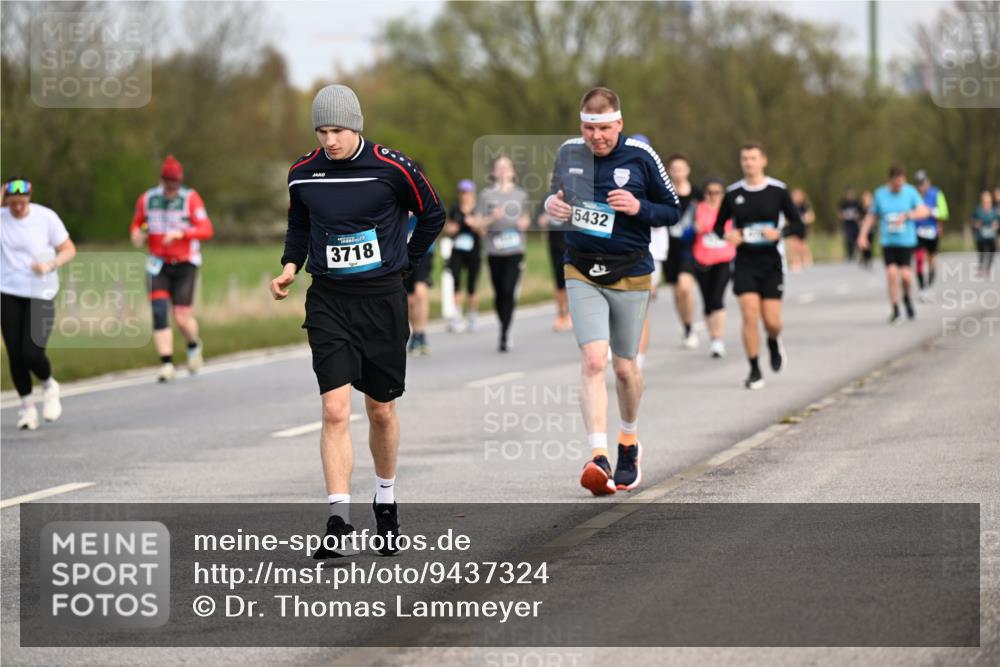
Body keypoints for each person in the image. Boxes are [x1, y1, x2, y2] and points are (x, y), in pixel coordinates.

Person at [270, 84, 445, 557]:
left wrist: (406, 261)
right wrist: (290, 266)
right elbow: (299, 224)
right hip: (329, 301)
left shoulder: (392, 168)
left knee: (381, 410)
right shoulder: (303, 174)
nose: (329, 140)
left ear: (356, 127)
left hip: (382, 301)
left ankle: (385, 500)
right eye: (322, 131)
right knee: (334, 410)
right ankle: (339, 519)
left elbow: (433, 214)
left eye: (338, 131)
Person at [544, 87, 681, 495]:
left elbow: (673, 210)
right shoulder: (568, 153)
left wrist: (640, 208)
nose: (596, 137)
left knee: (624, 368)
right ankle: (598, 456)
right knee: (593, 361)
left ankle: (628, 442)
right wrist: (551, 206)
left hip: (631, 271)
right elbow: (554, 195)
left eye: (604, 128)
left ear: (619, 124)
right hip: (581, 268)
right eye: (589, 128)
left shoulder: (641, 156)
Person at [713, 143, 802, 390]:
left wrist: (780, 233)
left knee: (772, 321)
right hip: (745, 262)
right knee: (749, 314)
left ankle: (773, 340)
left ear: (763, 161)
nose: (749, 163)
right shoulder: (733, 193)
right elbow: (718, 227)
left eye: (753, 158)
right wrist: (728, 235)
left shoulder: (778, 190)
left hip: (771, 262)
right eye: (745, 159)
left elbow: (798, 224)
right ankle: (754, 369)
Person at [130, 155, 214, 382]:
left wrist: (182, 233)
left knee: (181, 317)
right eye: (168, 185)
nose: (171, 190)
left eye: (175, 185)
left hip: (185, 263)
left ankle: (193, 344)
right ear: (162, 181)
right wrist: (138, 235)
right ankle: (166, 364)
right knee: (159, 312)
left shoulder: (190, 198)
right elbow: (137, 225)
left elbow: (206, 230)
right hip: (157, 264)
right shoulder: (148, 199)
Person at [1, 177, 77, 430]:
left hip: (41, 291)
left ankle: (49, 384)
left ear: (29, 198)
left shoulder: (46, 217)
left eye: (21, 203)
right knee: (15, 354)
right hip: (9, 290)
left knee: (31, 353)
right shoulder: (2, 218)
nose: (17, 208)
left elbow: (69, 249)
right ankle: (27, 408)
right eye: (12, 203)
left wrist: (50, 264)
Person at [857, 165, 930, 324]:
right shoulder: (880, 194)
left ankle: (907, 297)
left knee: (905, 276)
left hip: (906, 241)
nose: (899, 186)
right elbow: (871, 216)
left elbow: (924, 211)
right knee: (891, 274)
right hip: (888, 242)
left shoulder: (910, 192)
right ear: (890, 180)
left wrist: (908, 215)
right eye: (896, 183)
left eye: (901, 183)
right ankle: (895, 308)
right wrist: (862, 235)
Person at [476, 155, 530, 352]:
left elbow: (526, 217)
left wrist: (524, 223)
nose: (503, 170)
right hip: (494, 250)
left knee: (508, 290)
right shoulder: (486, 195)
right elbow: (478, 224)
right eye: (499, 167)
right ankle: (503, 324)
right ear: (493, 172)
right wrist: (492, 218)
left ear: (513, 172)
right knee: (499, 293)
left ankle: (505, 333)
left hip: (515, 250)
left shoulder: (521, 195)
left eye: (507, 166)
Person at [633, 134, 668, 369]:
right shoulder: (617, 177)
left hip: (651, 254)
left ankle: (639, 359)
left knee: (640, 308)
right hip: (621, 253)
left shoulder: (658, 182)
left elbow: (663, 220)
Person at [692, 178, 735, 358]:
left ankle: (718, 339)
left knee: (717, 298)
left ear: (723, 194)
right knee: (708, 302)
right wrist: (696, 228)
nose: (713, 196)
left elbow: (733, 231)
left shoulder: (729, 209)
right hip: (702, 259)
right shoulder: (699, 208)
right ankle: (713, 338)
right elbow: (693, 228)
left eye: (717, 192)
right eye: (709, 192)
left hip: (724, 258)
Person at [662, 155, 702, 349]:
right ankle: (686, 326)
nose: (678, 173)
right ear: (669, 171)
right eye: (674, 169)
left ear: (688, 170)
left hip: (691, 248)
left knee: (685, 287)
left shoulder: (697, 194)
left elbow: (708, 212)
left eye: (681, 169)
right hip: (669, 248)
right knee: (677, 293)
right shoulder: (664, 192)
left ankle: (690, 326)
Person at [444, 179, 482, 333]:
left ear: (472, 193)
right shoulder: (455, 209)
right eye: (462, 192)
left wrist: (474, 224)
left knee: (472, 284)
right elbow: (448, 228)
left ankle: (472, 317)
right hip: (458, 250)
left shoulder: (478, 209)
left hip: (474, 250)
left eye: (467, 192)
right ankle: (457, 316)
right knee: (457, 282)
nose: (464, 195)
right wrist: (451, 229)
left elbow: (483, 231)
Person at [912, 170, 949, 301]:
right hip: (917, 231)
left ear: (928, 182)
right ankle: (922, 288)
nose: (921, 186)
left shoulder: (936, 193)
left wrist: (931, 212)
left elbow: (944, 212)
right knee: (919, 258)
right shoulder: (913, 195)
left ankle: (929, 286)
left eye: (923, 183)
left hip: (932, 231)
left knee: (932, 259)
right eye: (918, 184)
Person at [537, 197, 572, 332]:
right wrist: (547, 216)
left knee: (572, 281)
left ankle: (571, 314)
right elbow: (540, 221)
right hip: (554, 246)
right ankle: (561, 315)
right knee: (559, 282)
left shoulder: (572, 197)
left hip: (571, 245)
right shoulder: (547, 200)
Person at [404, 210, 435, 356]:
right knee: (409, 299)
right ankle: (415, 333)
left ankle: (422, 333)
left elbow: (433, 212)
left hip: (424, 251)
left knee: (420, 292)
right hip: (404, 252)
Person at [787, 188, 814, 272]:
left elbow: (811, 216)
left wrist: (804, 219)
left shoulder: (804, 206)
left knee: (802, 245)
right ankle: (795, 262)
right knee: (792, 245)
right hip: (792, 227)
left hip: (802, 228)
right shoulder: (790, 206)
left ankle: (807, 260)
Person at [972, 189, 998, 275]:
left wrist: (996, 225)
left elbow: (997, 221)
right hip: (981, 235)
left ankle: (988, 268)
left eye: (988, 201)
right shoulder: (978, 210)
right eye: (984, 201)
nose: (986, 203)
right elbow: (973, 220)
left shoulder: (994, 211)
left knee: (992, 251)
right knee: (981, 251)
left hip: (991, 235)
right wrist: (976, 224)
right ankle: (981, 267)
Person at [839, 188, 863, 262]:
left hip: (855, 224)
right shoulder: (844, 203)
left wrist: (857, 216)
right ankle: (850, 254)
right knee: (848, 239)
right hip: (847, 224)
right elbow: (840, 213)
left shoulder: (857, 203)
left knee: (856, 238)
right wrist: (844, 216)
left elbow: (861, 213)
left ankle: (858, 253)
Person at [859, 190, 876, 269]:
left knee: (869, 244)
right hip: (862, 228)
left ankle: (869, 258)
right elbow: (858, 217)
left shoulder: (872, 208)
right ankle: (864, 257)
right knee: (863, 244)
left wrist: (873, 225)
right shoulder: (861, 208)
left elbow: (874, 218)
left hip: (871, 229)